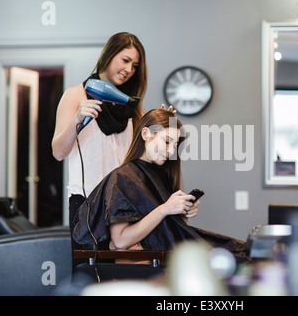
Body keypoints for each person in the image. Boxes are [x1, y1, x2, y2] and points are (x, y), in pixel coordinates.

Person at [72, 108, 247, 257]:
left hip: (173, 252)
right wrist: (165, 209)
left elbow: (167, 231)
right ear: (146, 133)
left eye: (175, 144)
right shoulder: (122, 178)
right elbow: (120, 240)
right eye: (167, 141)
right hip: (161, 259)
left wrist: (182, 212)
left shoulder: (162, 174)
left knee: (244, 251)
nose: (171, 151)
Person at [52, 32, 149, 235]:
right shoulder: (75, 95)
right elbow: (58, 152)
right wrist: (77, 119)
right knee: (87, 267)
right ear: (109, 54)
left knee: (122, 267)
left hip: (124, 202)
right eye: (125, 60)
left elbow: (143, 156)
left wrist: (166, 124)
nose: (129, 70)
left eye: (135, 66)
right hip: (86, 200)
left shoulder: (130, 105)